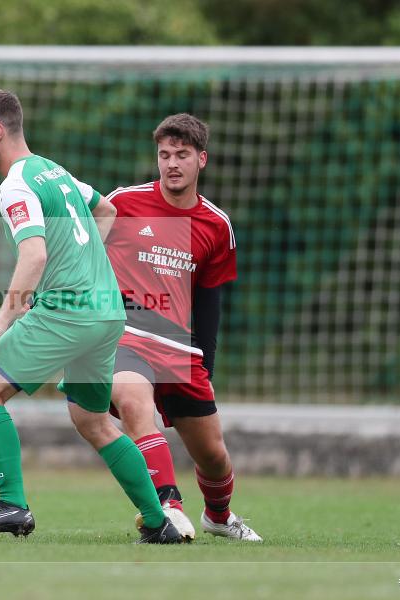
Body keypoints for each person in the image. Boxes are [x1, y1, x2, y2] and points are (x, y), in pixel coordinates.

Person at [0, 89, 182, 544]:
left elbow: (34, 255)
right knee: (93, 421)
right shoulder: (53, 171)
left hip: (68, 312)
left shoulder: (15, 184)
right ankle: (160, 524)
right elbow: (107, 209)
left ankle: (13, 506)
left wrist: (1, 323)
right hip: (106, 312)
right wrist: (83, 262)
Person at [93, 113, 262, 542]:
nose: (171, 163)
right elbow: (83, 257)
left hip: (178, 347)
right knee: (134, 403)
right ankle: (168, 506)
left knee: (214, 457)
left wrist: (206, 362)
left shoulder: (216, 225)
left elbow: (209, 304)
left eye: (182, 155)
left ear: (201, 160)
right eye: (164, 154)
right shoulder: (123, 204)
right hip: (124, 333)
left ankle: (219, 518)